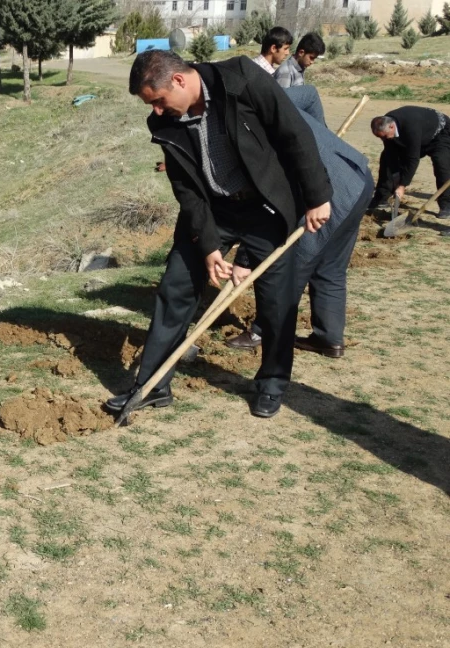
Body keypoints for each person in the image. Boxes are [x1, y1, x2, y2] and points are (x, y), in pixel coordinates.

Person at [106, 50, 332, 419]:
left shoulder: (240, 80)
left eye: (159, 101)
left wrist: (317, 196)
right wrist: (209, 246)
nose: (157, 112)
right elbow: (188, 190)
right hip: (214, 210)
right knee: (175, 288)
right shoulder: (164, 122)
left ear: (179, 80)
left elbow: (293, 132)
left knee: (276, 300)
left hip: (266, 207)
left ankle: (271, 383)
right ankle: (151, 384)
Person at [228, 97, 374, 358]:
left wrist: (244, 258)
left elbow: (263, 203)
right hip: (357, 177)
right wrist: (320, 132)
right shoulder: (265, 94)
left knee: (293, 265)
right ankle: (329, 339)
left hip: (332, 192)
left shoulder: (245, 127)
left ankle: (262, 331)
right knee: (331, 266)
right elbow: (309, 93)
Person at [370, 107, 450, 219]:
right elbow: (391, 153)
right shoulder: (387, 121)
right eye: (379, 137)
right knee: (387, 158)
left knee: (442, 165)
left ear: (392, 127)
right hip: (419, 133)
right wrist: (395, 178)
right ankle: (382, 197)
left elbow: (412, 159)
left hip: (439, 135)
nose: (383, 140)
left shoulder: (411, 127)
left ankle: (446, 204)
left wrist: (402, 185)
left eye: (384, 136)